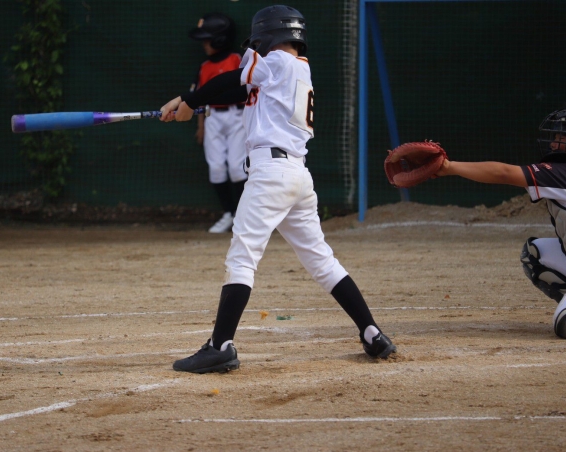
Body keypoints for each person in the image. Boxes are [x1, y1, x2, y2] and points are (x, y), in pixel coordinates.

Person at [160, 5, 397, 373]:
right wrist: (189, 103)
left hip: (271, 174)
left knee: (242, 257)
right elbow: (239, 93)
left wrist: (191, 101)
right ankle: (372, 334)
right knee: (321, 260)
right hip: (296, 175)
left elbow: (231, 79)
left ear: (268, 36)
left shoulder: (277, 62)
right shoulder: (294, 69)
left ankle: (220, 346)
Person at [434, 99, 566, 340]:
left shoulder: (564, 173)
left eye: (563, 137)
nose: (554, 143)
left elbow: (503, 173)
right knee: (535, 254)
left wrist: (449, 167)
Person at [188, 12, 247, 233]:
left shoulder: (236, 60)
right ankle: (228, 213)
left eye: (207, 39)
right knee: (216, 168)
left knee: (237, 167)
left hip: (237, 115)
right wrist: (200, 126)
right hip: (212, 117)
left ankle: (243, 216)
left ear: (221, 39)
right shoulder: (204, 66)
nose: (204, 44)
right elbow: (199, 98)